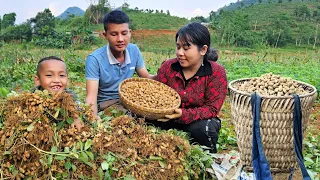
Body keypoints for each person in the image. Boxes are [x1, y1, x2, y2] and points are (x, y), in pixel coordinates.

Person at [154, 22, 227, 153]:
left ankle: (207, 160)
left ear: (203, 50)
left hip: (197, 121)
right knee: (139, 118)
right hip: (167, 117)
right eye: (178, 47)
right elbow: (158, 94)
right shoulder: (168, 67)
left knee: (204, 129)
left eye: (186, 48)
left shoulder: (216, 73)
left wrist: (182, 114)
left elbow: (212, 109)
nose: (180, 53)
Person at [85, 10, 154, 118]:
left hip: (129, 100)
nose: (120, 39)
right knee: (129, 119)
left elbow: (146, 77)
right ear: (105, 35)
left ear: (130, 32)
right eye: (114, 34)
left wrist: (164, 72)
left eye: (124, 33)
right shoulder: (94, 59)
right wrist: (93, 118)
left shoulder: (134, 50)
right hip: (107, 104)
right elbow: (91, 97)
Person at [33, 56, 84, 131]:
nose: (56, 80)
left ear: (67, 80)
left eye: (62, 75)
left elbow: (79, 108)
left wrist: (76, 117)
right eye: (49, 75)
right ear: (38, 80)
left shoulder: (69, 95)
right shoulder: (33, 96)